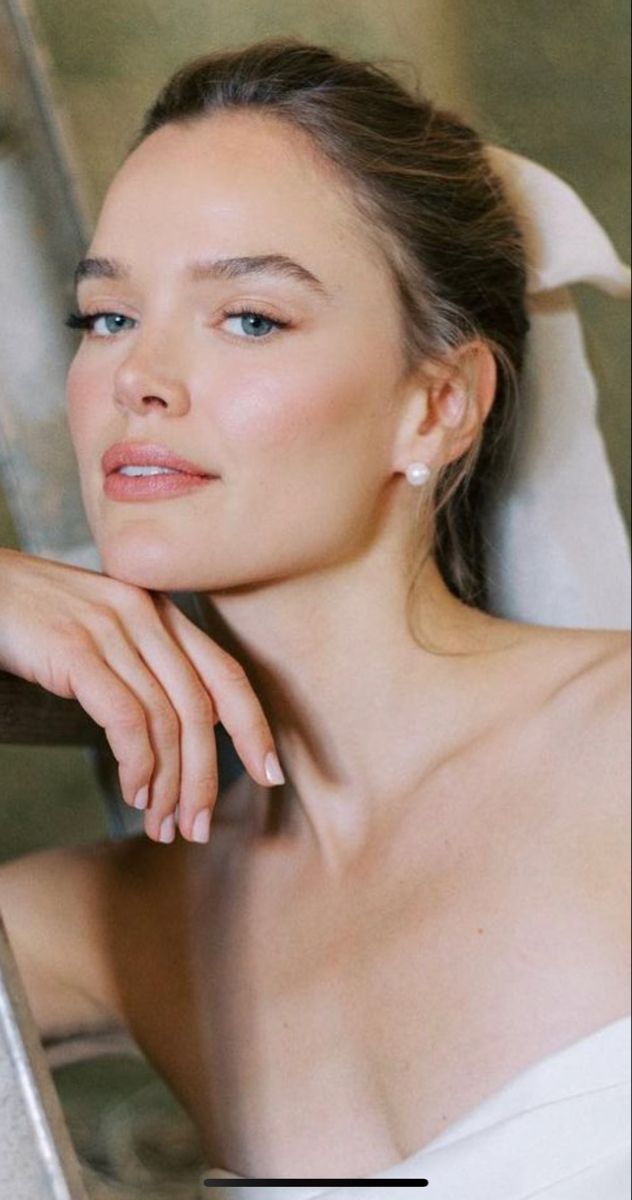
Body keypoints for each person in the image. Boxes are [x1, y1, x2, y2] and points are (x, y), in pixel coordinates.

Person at [0, 39, 629, 1197]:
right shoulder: (133, 916)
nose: (140, 376)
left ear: (436, 406)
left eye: (248, 318)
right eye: (105, 316)